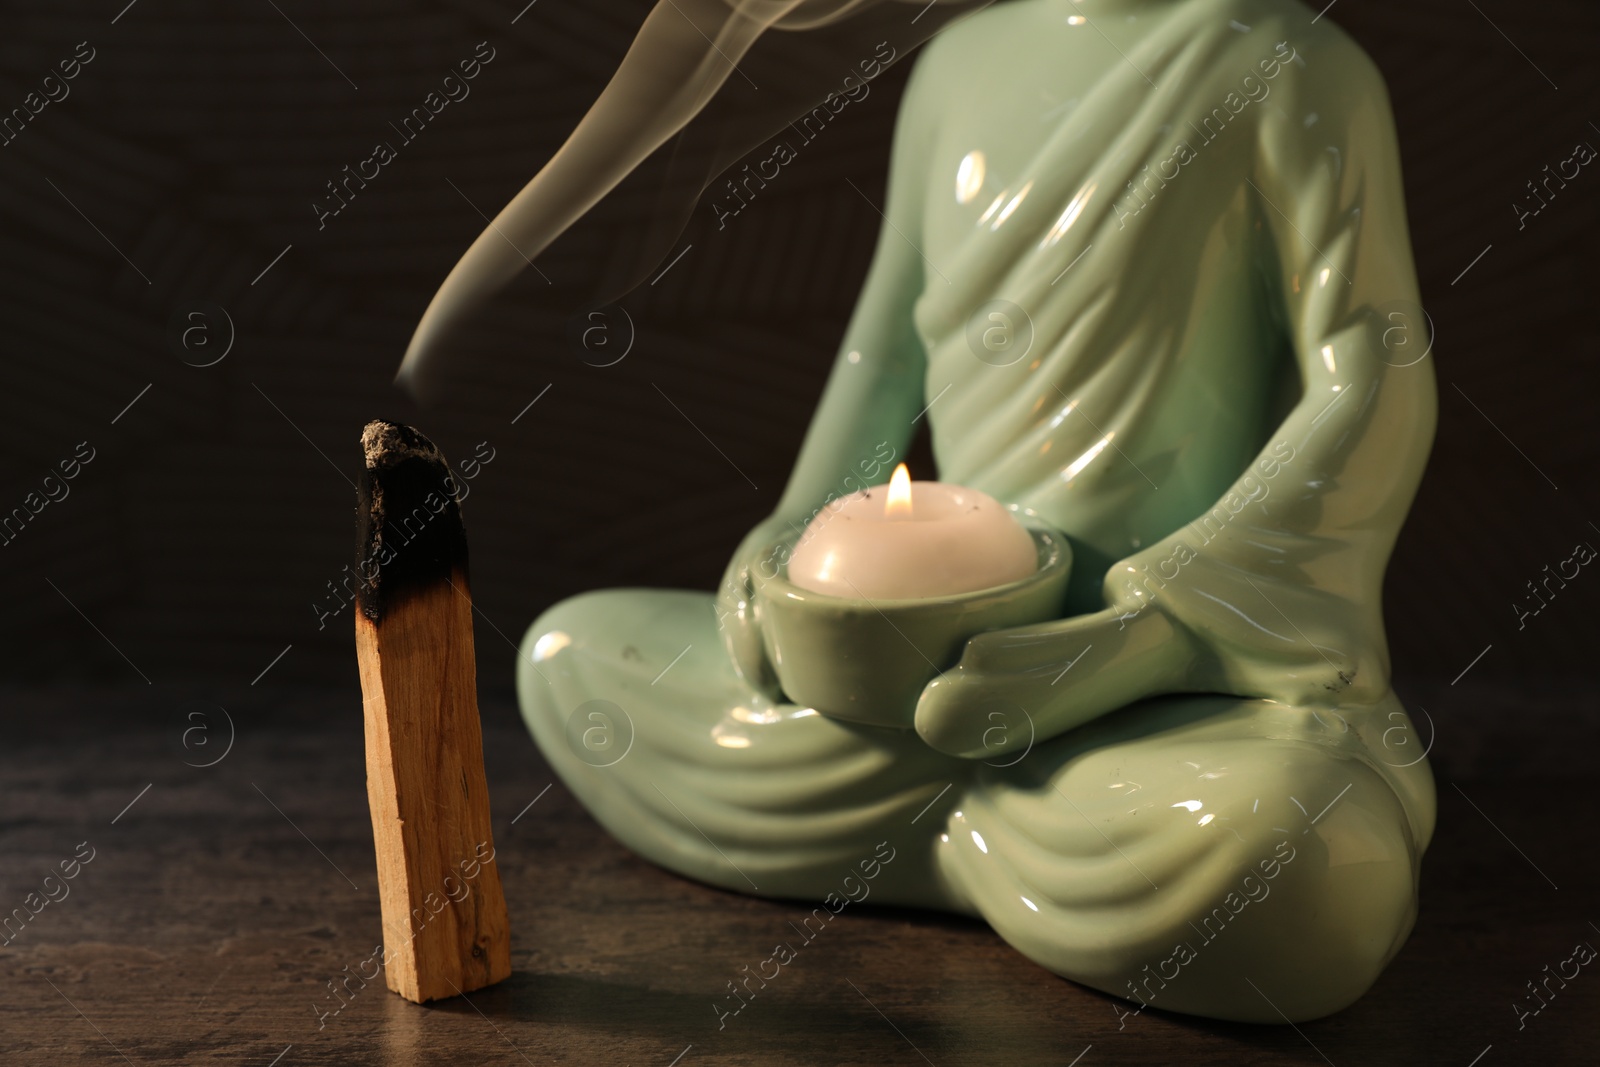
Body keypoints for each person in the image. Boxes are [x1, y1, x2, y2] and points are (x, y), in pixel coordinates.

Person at [430, 0, 1438, 1023]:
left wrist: (1147, 635)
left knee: (1297, 849)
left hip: (1175, 689)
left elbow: (1370, 375)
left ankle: (938, 817)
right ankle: (985, 824)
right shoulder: (958, 62)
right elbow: (884, 356)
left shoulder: (1287, 64)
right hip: (931, 664)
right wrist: (788, 545)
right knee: (572, 660)